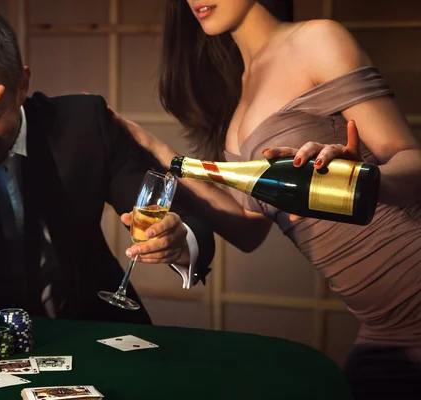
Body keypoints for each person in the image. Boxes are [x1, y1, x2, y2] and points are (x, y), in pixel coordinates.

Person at [110, 0, 421, 398]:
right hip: (383, 327)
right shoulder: (237, 88)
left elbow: (410, 160)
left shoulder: (315, 40)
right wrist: (148, 143)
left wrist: (366, 178)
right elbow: (248, 228)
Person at [0, 0, 215, 326]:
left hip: (93, 331)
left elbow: (189, 222)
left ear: (22, 85)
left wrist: (177, 239)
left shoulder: (81, 123)